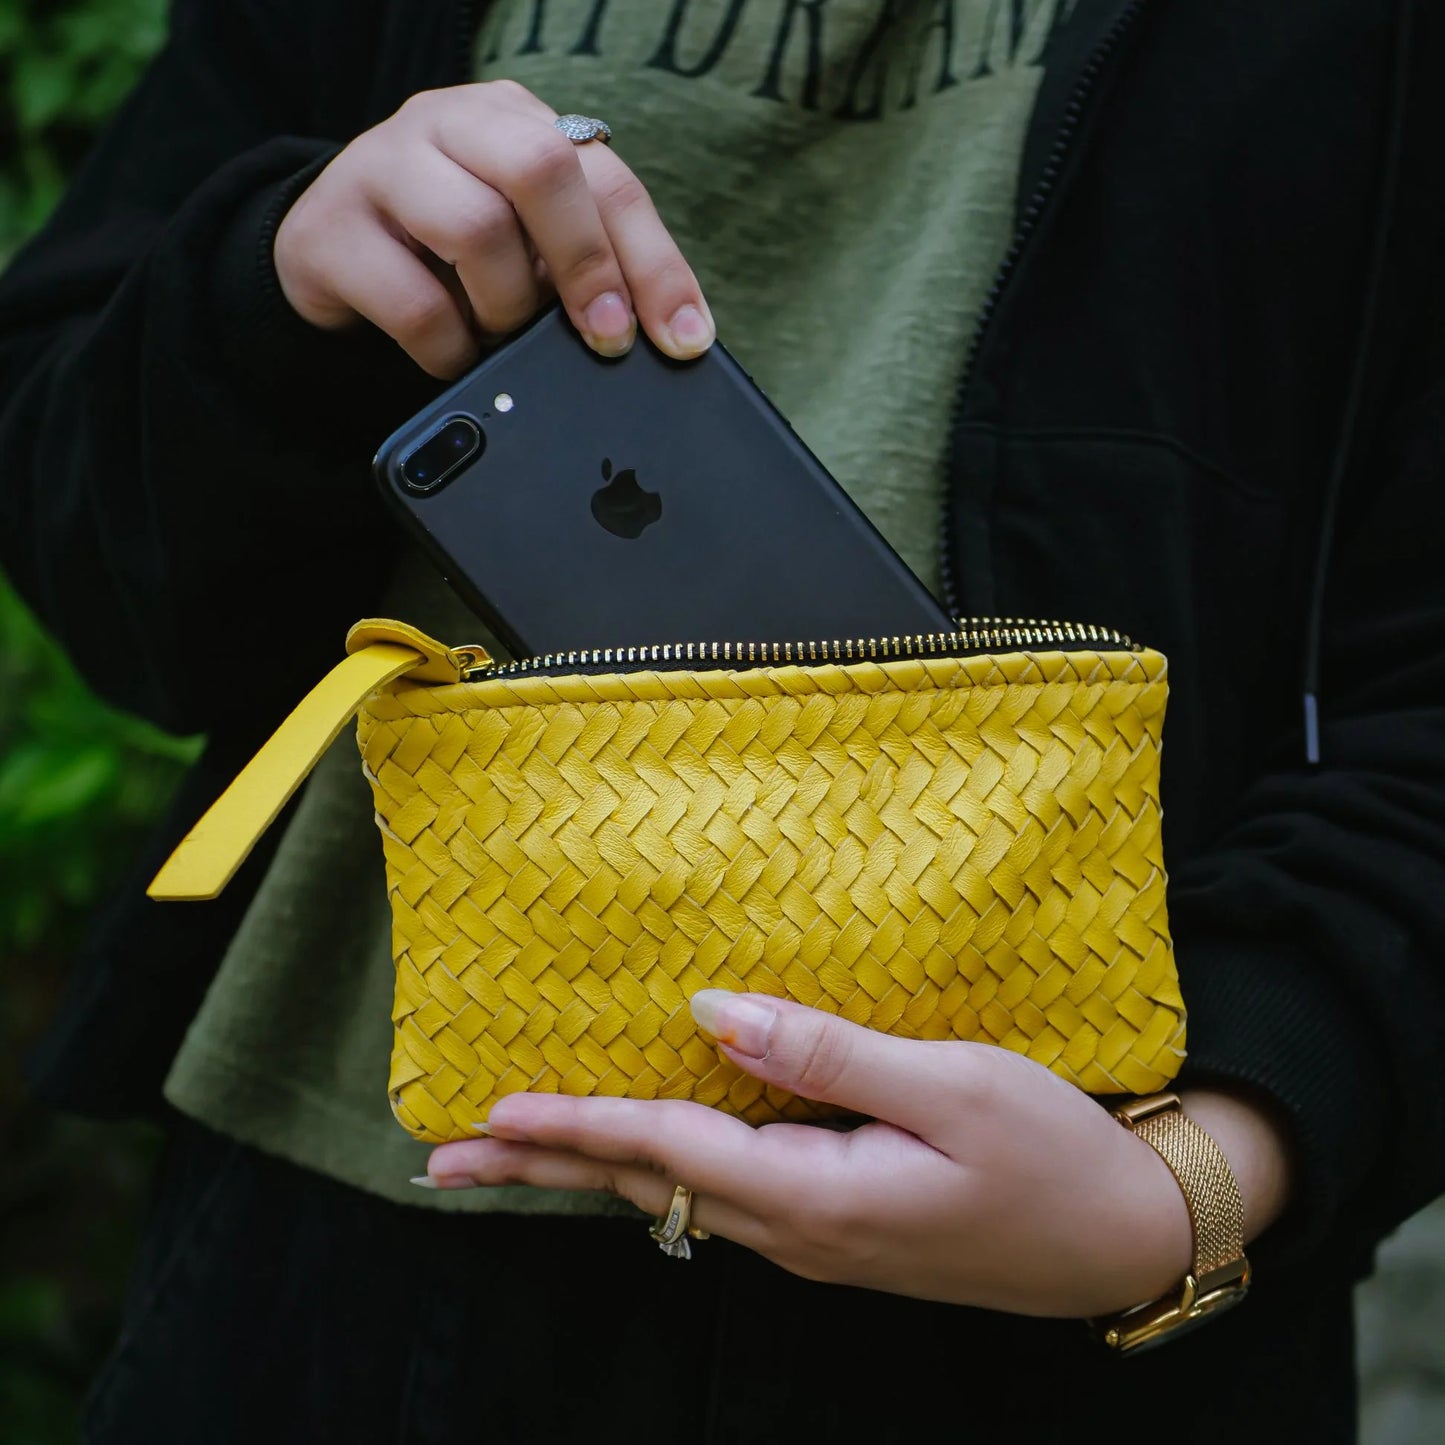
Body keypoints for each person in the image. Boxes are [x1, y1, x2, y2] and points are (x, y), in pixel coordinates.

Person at [2, 1, 1443, 1440]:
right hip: (331, 1259)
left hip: (1052, 1321)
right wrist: (263, 291)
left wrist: (1200, 1176)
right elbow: (93, 554)